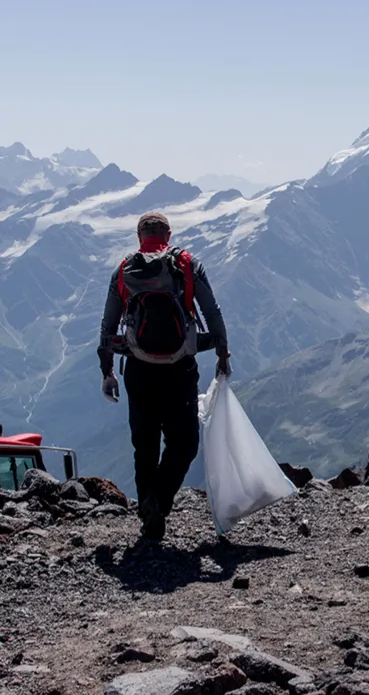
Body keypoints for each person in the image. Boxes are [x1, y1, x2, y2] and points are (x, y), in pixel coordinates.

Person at [98, 211, 231, 541]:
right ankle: (158, 502)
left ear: (140, 235)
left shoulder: (125, 270)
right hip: (179, 369)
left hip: (139, 370)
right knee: (184, 443)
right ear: (168, 234)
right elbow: (212, 311)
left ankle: (149, 512)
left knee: (144, 446)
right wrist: (222, 353)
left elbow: (107, 327)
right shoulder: (186, 264)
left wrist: (107, 372)